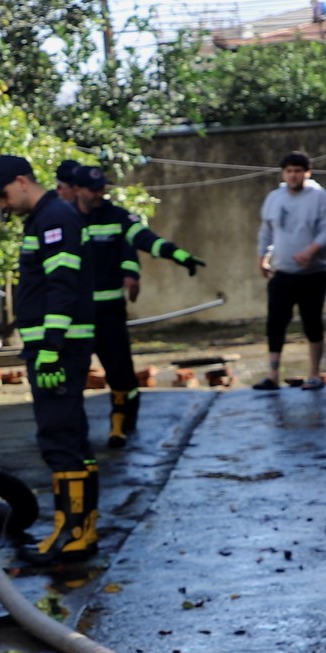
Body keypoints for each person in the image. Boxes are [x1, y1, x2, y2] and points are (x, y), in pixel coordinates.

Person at [0, 155, 98, 562]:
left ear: (21, 181)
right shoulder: (47, 217)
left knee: (58, 437)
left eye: (3, 193)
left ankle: (72, 534)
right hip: (58, 347)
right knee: (71, 437)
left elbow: (62, 287)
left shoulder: (54, 218)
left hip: (58, 351)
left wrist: (50, 347)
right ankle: (78, 529)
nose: (2, 203)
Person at [63, 162, 205, 447]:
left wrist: (179, 256)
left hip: (109, 313)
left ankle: (123, 425)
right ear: (77, 190)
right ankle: (72, 431)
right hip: (75, 316)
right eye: (92, 190)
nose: (98, 194)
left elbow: (145, 240)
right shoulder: (64, 220)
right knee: (73, 377)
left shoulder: (116, 217)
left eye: (101, 188)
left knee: (120, 373)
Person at [254, 151, 326, 391]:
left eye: (298, 171)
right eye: (289, 171)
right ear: (283, 173)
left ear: (307, 173)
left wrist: (311, 251)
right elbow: (266, 230)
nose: (293, 175)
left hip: (313, 273)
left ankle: (314, 373)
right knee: (275, 323)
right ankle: (272, 375)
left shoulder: (320, 198)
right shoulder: (274, 197)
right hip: (282, 272)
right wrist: (263, 257)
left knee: (312, 322)